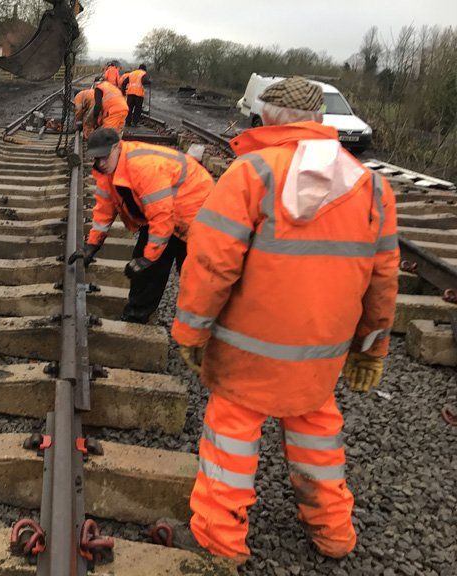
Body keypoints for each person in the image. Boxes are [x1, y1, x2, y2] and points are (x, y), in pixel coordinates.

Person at [156, 77, 399, 565]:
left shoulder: (251, 174)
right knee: (317, 437)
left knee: (231, 441)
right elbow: (383, 279)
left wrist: (190, 329)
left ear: (265, 118)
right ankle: (334, 533)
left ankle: (220, 542)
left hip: (246, 351)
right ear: (320, 121)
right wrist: (370, 349)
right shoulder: (371, 186)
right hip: (319, 357)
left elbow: (211, 264)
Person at [83, 127, 214, 324]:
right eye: (96, 158)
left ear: (117, 147)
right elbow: (104, 208)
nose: (100, 163)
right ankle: (135, 315)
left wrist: (149, 258)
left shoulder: (142, 167)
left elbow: (162, 216)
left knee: (189, 271)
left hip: (193, 210)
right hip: (163, 209)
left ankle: (200, 326)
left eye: (104, 157)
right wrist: (93, 244)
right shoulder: (107, 171)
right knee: (145, 267)